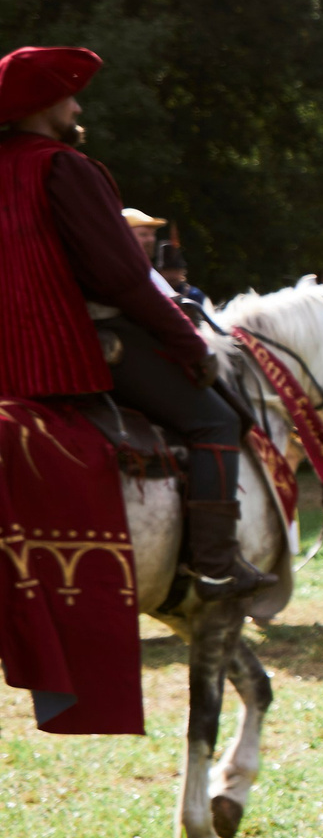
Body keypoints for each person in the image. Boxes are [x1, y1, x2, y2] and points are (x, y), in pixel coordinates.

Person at [0, 45, 273, 594]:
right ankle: (215, 563)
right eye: (69, 95)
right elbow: (122, 279)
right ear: (44, 102)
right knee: (219, 420)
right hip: (70, 346)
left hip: (8, 356)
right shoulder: (63, 167)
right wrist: (189, 345)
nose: (78, 108)